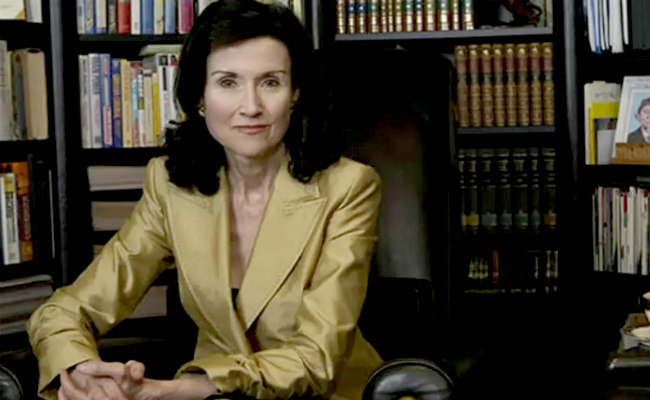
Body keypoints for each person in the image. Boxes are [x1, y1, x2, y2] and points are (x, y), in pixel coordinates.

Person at [27, 1, 383, 399]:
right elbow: (65, 311)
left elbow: (315, 359)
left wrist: (171, 390)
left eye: (270, 82)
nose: (251, 107)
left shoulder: (348, 187)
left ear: (296, 93)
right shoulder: (171, 186)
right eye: (228, 82)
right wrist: (80, 371)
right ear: (199, 95)